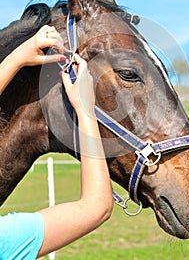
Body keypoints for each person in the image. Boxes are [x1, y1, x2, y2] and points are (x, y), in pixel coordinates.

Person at [0, 25, 113, 259]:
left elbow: (98, 208)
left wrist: (16, 59)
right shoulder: (6, 242)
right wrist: (85, 110)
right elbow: (96, 208)